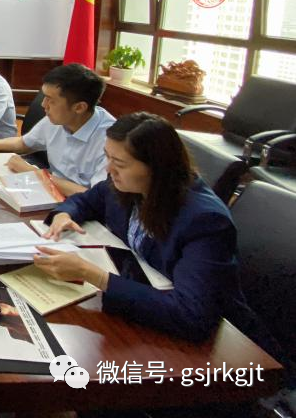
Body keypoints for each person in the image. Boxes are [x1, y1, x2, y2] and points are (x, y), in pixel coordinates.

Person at [32, 112, 267, 344]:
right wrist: (64, 214)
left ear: (156, 167)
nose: (108, 169)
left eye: (119, 163)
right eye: (108, 157)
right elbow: (87, 200)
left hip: (227, 344)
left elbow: (191, 314)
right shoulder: (127, 184)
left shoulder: (206, 221)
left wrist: (91, 274)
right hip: (144, 292)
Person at [0, 63, 114, 196]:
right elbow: (24, 143)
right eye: (44, 97)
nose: (43, 104)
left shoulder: (110, 141)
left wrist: (33, 173)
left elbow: (95, 197)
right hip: (49, 190)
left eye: (51, 100)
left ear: (79, 107)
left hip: (80, 206)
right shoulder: (60, 118)